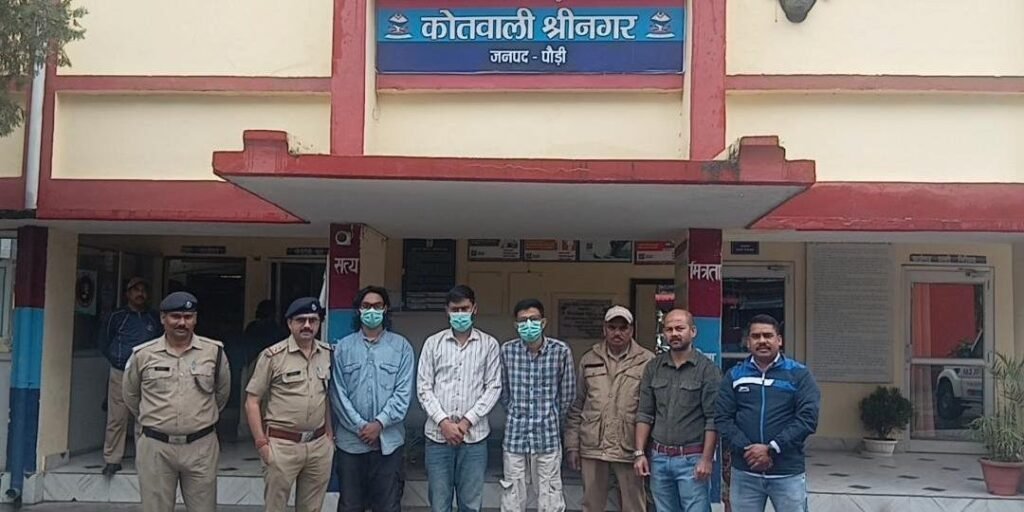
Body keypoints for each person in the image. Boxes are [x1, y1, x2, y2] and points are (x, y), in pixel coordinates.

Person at [122, 291, 230, 512]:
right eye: (176, 316)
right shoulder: (143, 354)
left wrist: (197, 419)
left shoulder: (214, 352)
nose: (182, 322)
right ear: (163, 318)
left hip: (201, 446)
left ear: (195, 319)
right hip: (156, 447)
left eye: (188, 317)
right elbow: (131, 396)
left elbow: (222, 393)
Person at [715, 314, 820, 512]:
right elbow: (722, 418)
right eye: (756, 336)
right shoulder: (735, 375)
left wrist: (772, 448)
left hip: (787, 473)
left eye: (768, 335)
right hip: (745, 472)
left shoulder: (799, 374)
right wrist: (749, 450)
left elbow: (808, 419)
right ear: (748, 342)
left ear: (779, 340)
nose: (762, 341)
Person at [417, 285, 502, 512]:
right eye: (455, 310)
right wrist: (444, 423)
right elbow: (423, 388)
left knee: (471, 505)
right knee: (439, 504)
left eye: (465, 308)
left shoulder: (489, 345)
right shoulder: (432, 343)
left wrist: (465, 423)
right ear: (447, 311)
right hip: (437, 438)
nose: (460, 314)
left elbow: (493, 388)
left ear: (475, 309)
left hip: (474, 439)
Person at [245, 297, 334, 512]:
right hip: (282, 445)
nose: (307, 325)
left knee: (312, 508)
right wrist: (261, 444)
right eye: (301, 320)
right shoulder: (273, 356)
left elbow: (326, 397)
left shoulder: (327, 354)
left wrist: (329, 436)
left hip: (318, 445)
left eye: (313, 320)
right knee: (276, 507)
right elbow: (252, 401)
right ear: (289, 323)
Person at [331, 286, 415, 512]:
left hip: (389, 444)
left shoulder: (402, 347)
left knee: (388, 507)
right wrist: (362, 427)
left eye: (377, 306)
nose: (372, 311)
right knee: (350, 506)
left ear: (385, 309)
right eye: (366, 306)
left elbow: (403, 394)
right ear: (358, 310)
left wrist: (379, 424)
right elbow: (338, 394)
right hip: (351, 443)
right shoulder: (343, 348)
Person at [565, 306, 654, 512]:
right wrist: (572, 445)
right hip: (593, 445)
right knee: (592, 505)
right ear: (604, 329)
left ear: (631, 330)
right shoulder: (589, 359)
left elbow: (652, 408)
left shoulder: (647, 360)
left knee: (634, 505)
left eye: (623, 328)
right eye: (612, 327)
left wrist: (646, 450)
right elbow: (577, 405)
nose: (617, 332)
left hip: (629, 446)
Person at [634, 309, 721, 512]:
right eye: (669, 329)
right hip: (659, 458)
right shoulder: (653, 367)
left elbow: (713, 419)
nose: (674, 333)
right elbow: (644, 413)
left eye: (680, 328)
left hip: (692, 458)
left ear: (693, 331)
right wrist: (639, 453)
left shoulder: (707, 370)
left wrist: (706, 459)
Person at [499, 299, 575, 512]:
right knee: (512, 500)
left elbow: (567, 396)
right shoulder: (507, 351)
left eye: (533, 319)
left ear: (543, 322)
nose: (528, 324)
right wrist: (517, 414)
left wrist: (550, 417)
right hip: (515, 438)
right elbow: (503, 394)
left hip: (547, 439)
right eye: (523, 320)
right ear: (516, 325)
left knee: (550, 501)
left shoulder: (560, 351)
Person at [98, 276, 162, 476]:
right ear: (128, 294)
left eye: (143, 290)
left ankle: (143, 460)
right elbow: (104, 341)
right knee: (117, 418)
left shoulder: (153, 317)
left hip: (147, 374)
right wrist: (116, 359)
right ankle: (112, 459)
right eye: (136, 290)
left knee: (145, 417)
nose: (140, 294)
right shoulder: (117, 316)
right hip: (120, 372)